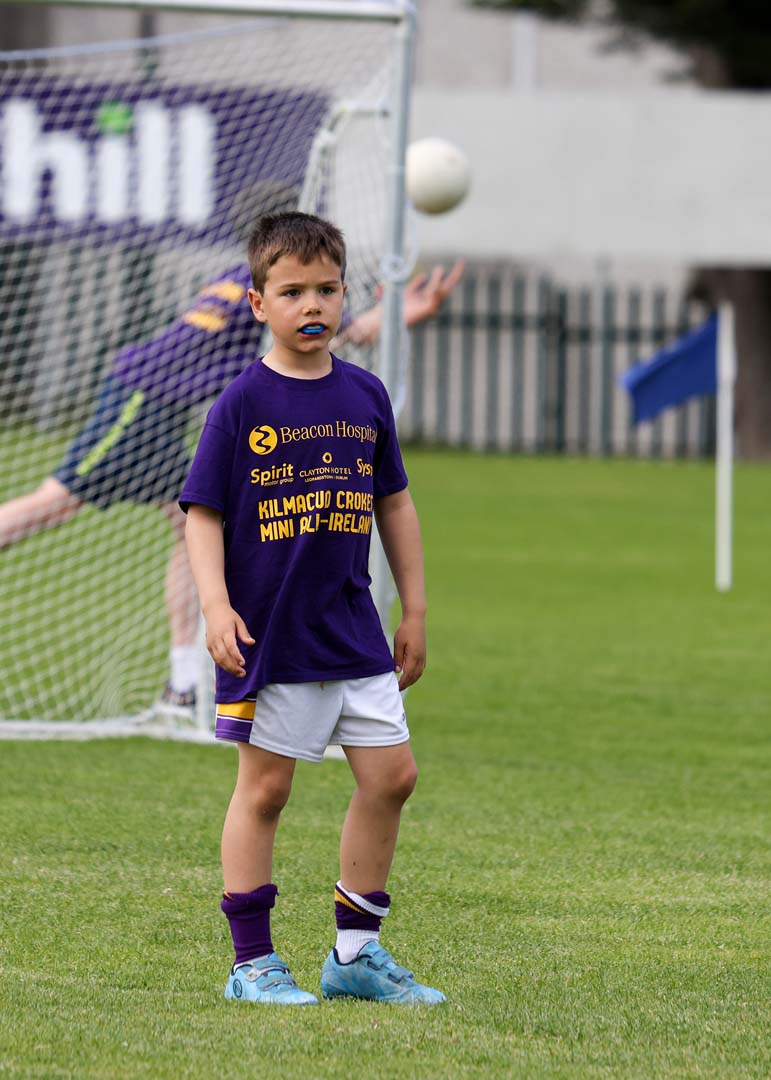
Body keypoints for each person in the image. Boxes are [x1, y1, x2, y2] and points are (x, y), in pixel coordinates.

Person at [0, 194, 463, 716]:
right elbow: (349, 329)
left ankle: (181, 684)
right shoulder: (270, 286)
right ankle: (182, 682)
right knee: (55, 504)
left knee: (186, 525)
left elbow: (335, 326)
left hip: (160, 407)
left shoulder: (256, 275)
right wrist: (401, 314)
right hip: (139, 400)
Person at [181, 211, 444, 1005]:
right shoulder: (240, 403)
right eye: (291, 291)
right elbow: (201, 513)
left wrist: (416, 611)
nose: (312, 305)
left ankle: (355, 955)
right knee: (265, 791)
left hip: (352, 627)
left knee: (392, 777)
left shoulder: (365, 395)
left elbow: (393, 505)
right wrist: (215, 606)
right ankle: (251, 964)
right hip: (269, 635)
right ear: (258, 303)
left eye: (325, 289)